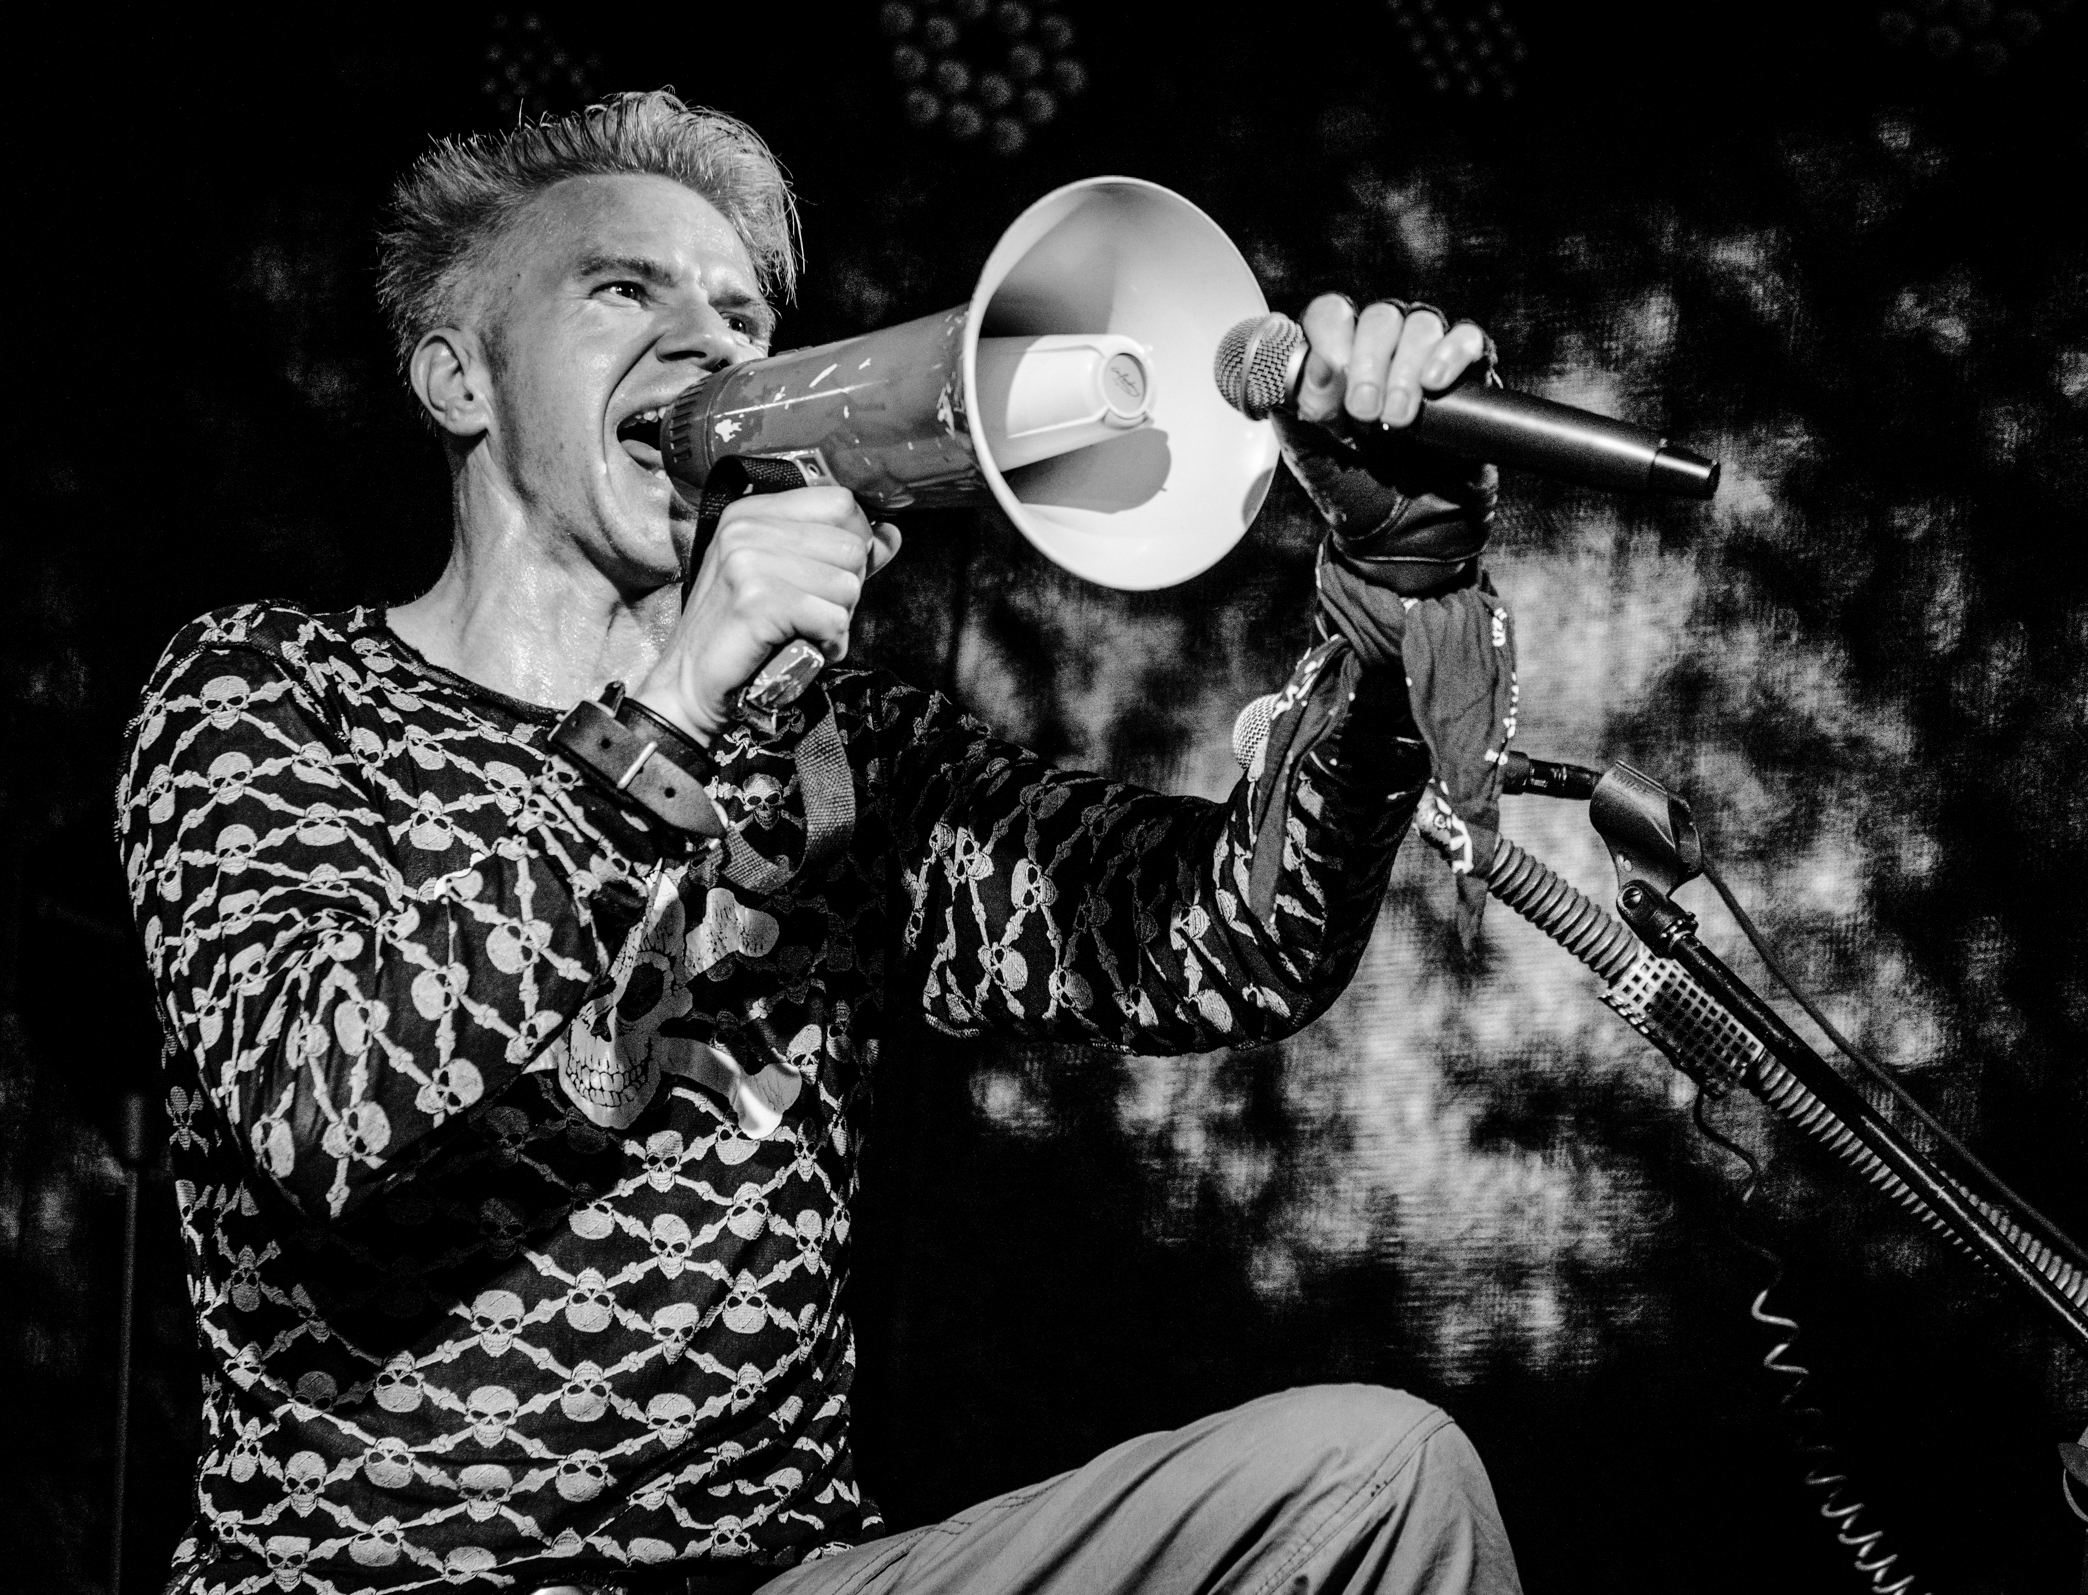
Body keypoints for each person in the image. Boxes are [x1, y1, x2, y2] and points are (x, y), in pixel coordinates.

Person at [118, 91, 1520, 1595]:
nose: (709, 348)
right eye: (622, 290)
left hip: (778, 1577)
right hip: (375, 1582)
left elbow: (1237, 941)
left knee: (1384, 1480)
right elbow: (322, 1109)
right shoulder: (272, 692)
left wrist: (1392, 588)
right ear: (458, 377)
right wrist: (668, 709)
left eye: (741, 316)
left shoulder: (842, 751)